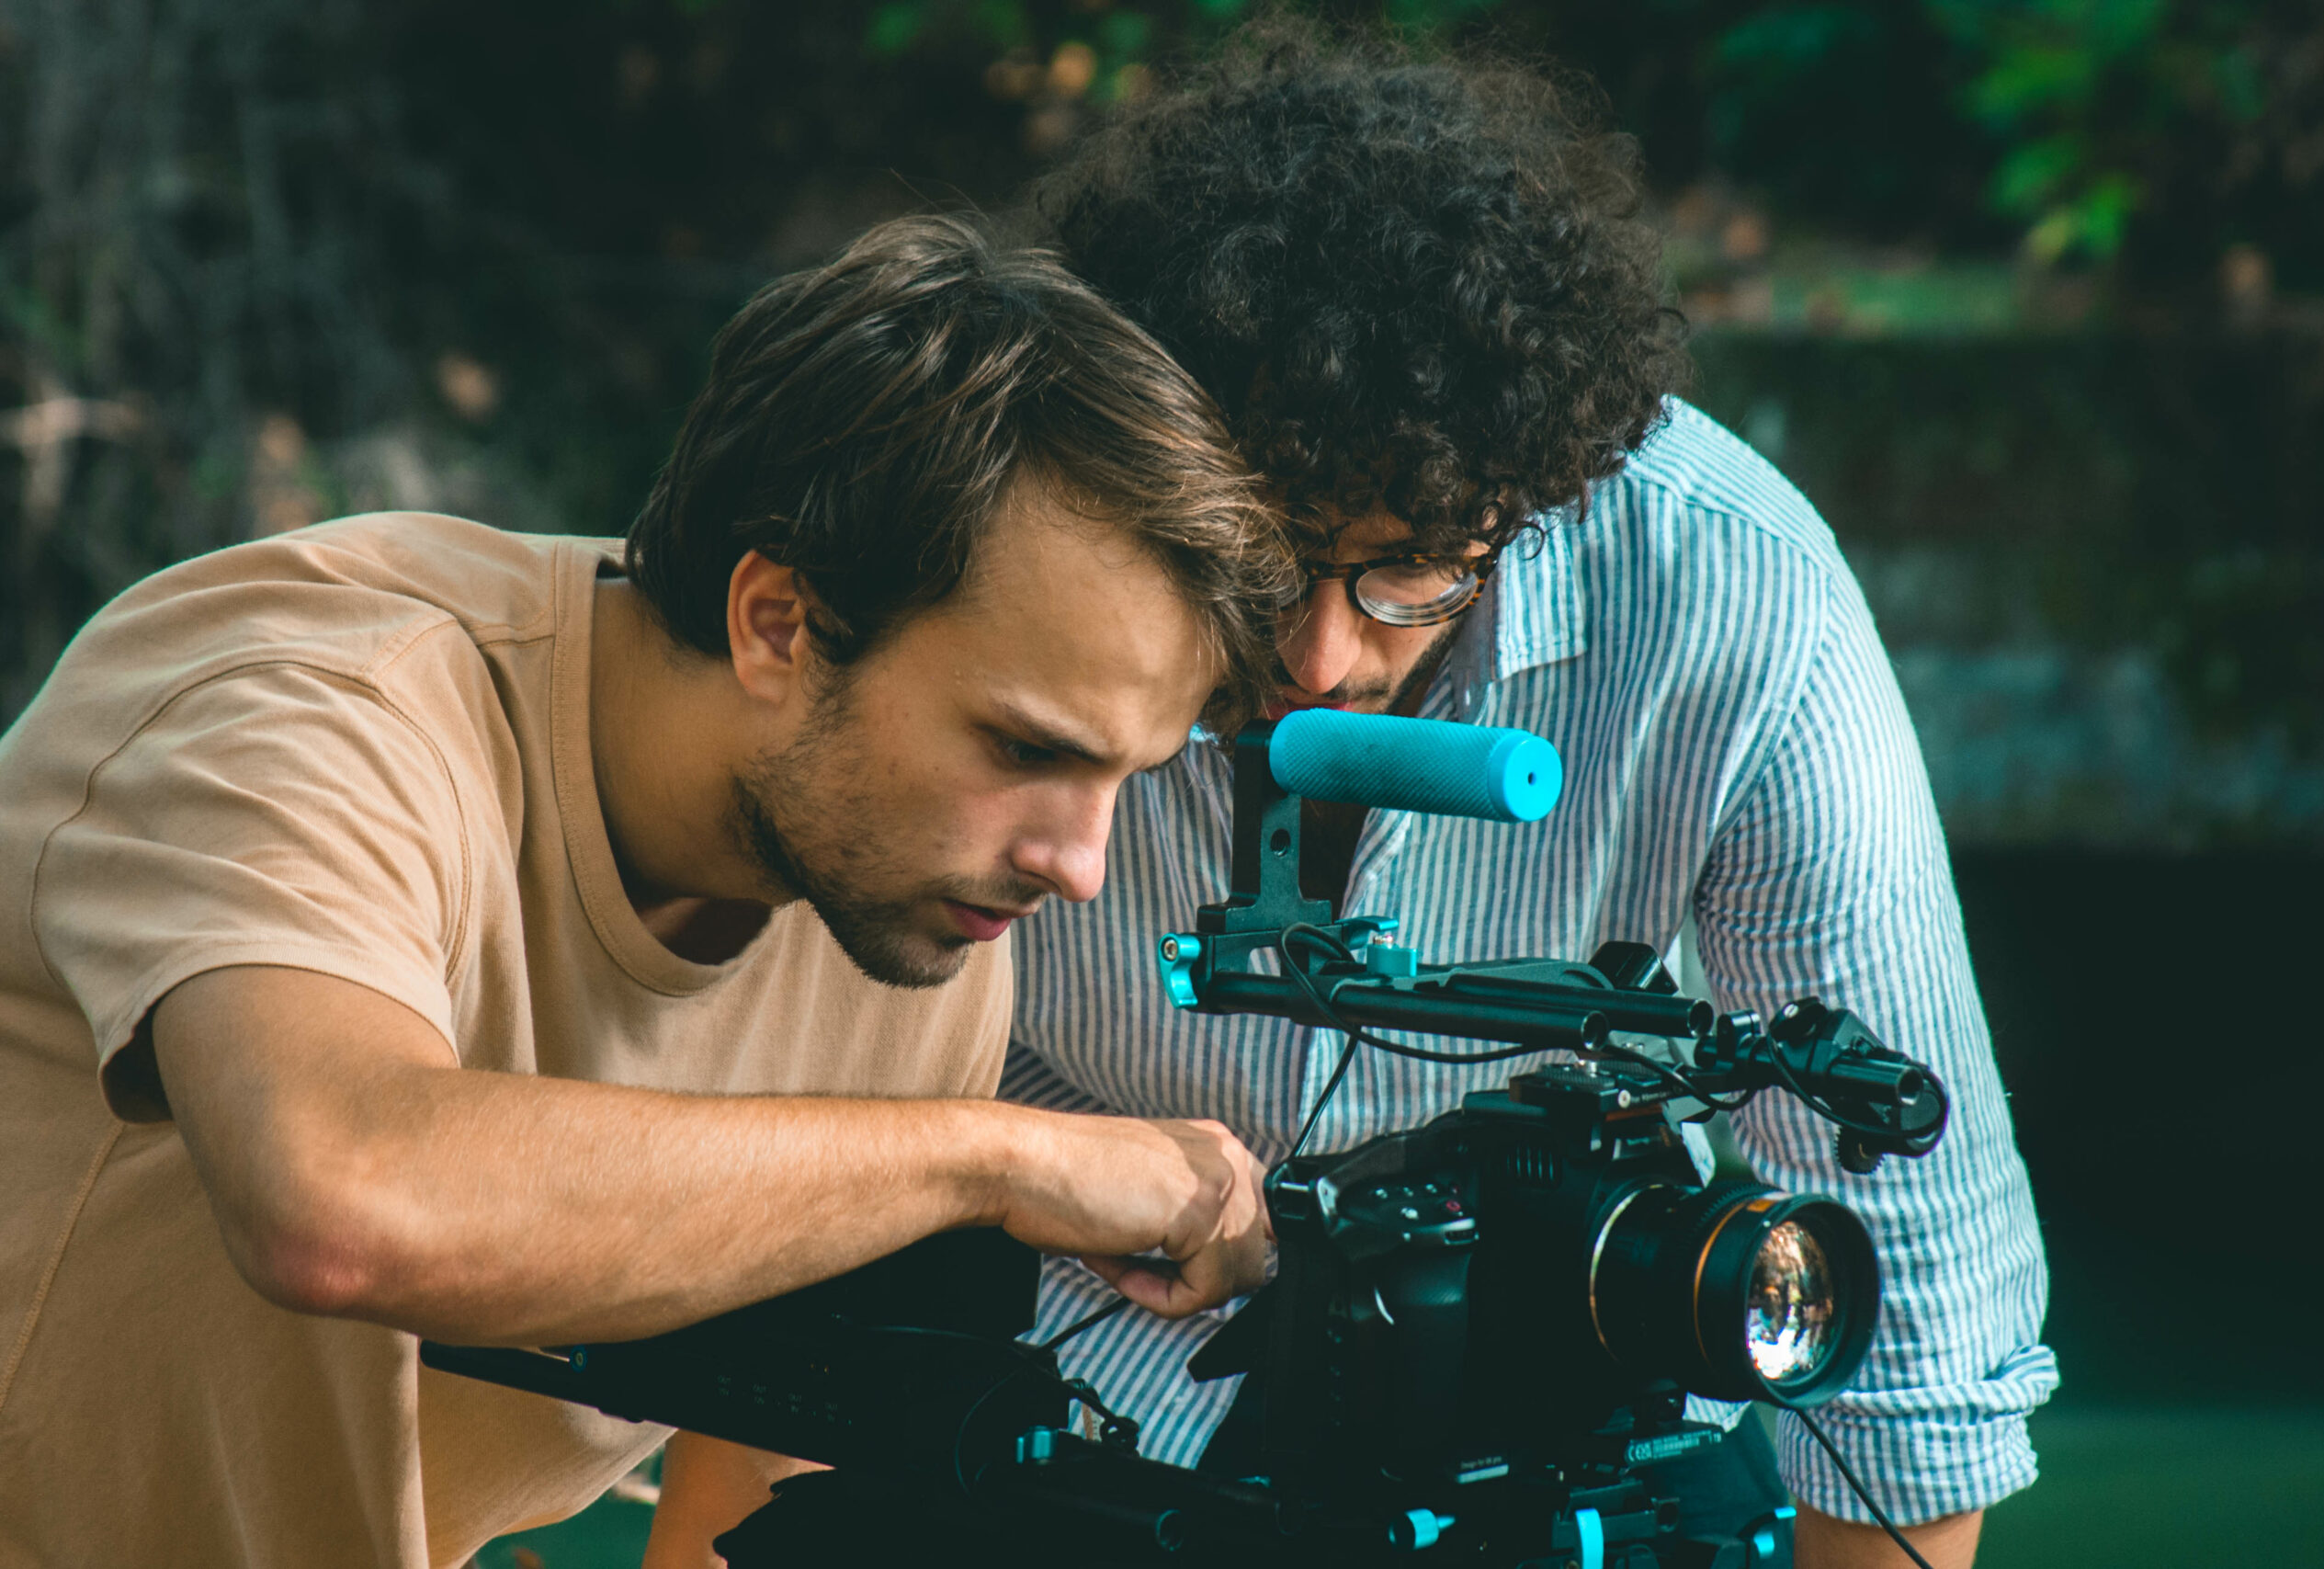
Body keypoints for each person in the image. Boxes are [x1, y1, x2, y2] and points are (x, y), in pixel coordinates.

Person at [0, 216, 1292, 1569]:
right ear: (778, 623)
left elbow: (753, 1483)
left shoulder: (909, 924)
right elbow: (341, 1196)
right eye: (1029, 750)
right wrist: (991, 1156)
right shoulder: (312, 710)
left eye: (1125, 779)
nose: (1079, 868)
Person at [1001, 32, 2058, 1569]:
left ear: (1530, 493)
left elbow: (1904, 1212)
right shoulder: (1044, 510)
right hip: (1068, 1355)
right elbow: (814, 1040)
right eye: (1274, 554)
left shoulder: (1730, 591)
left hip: (1572, 1387)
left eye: (1413, 566)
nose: (1319, 656)